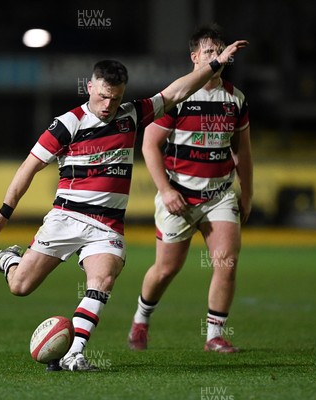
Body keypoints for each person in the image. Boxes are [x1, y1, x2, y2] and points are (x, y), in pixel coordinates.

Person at [0, 39, 248, 371]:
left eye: (115, 97)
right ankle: (8, 259)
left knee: (102, 280)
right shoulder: (68, 124)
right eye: (103, 95)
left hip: (106, 227)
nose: (108, 104)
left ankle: (74, 353)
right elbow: (29, 167)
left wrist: (215, 64)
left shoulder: (131, 115)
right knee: (21, 287)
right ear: (90, 86)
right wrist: (5, 211)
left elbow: (177, 92)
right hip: (66, 217)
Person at [128, 27, 252, 353]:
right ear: (195, 57)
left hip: (220, 194)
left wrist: (248, 194)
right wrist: (166, 191)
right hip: (179, 196)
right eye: (210, 52)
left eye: (221, 51)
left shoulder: (235, 98)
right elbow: (150, 146)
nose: (218, 57)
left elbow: (243, 152)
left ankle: (214, 336)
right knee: (167, 269)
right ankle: (141, 319)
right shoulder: (179, 96)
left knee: (226, 261)